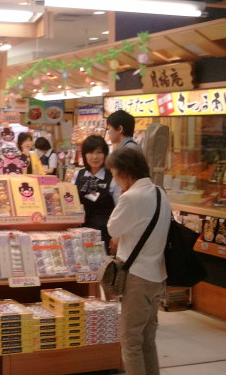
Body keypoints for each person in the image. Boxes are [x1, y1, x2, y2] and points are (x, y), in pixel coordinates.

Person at [106, 147, 170, 375]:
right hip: (157, 274)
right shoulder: (160, 192)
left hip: (137, 278)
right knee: (147, 340)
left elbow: (113, 228)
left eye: (114, 174)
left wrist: (123, 197)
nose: (114, 179)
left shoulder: (131, 197)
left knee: (130, 342)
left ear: (126, 173)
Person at [71, 135, 120, 249]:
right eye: (90, 153)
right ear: (84, 155)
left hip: (104, 233)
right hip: (80, 232)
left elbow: (119, 208)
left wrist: (117, 236)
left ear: (105, 154)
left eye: (99, 152)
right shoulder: (78, 175)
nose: (94, 157)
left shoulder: (112, 176)